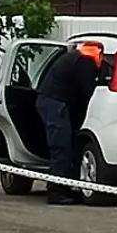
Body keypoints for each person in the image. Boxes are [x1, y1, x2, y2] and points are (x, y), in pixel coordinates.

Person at [36, 42, 103, 205]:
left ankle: (65, 187)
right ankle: (56, 192)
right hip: (55, 103)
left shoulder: (77, 56)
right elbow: (89, 91)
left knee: (65, 145)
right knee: (61, 146)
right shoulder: (85, 61)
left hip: (52, 100)